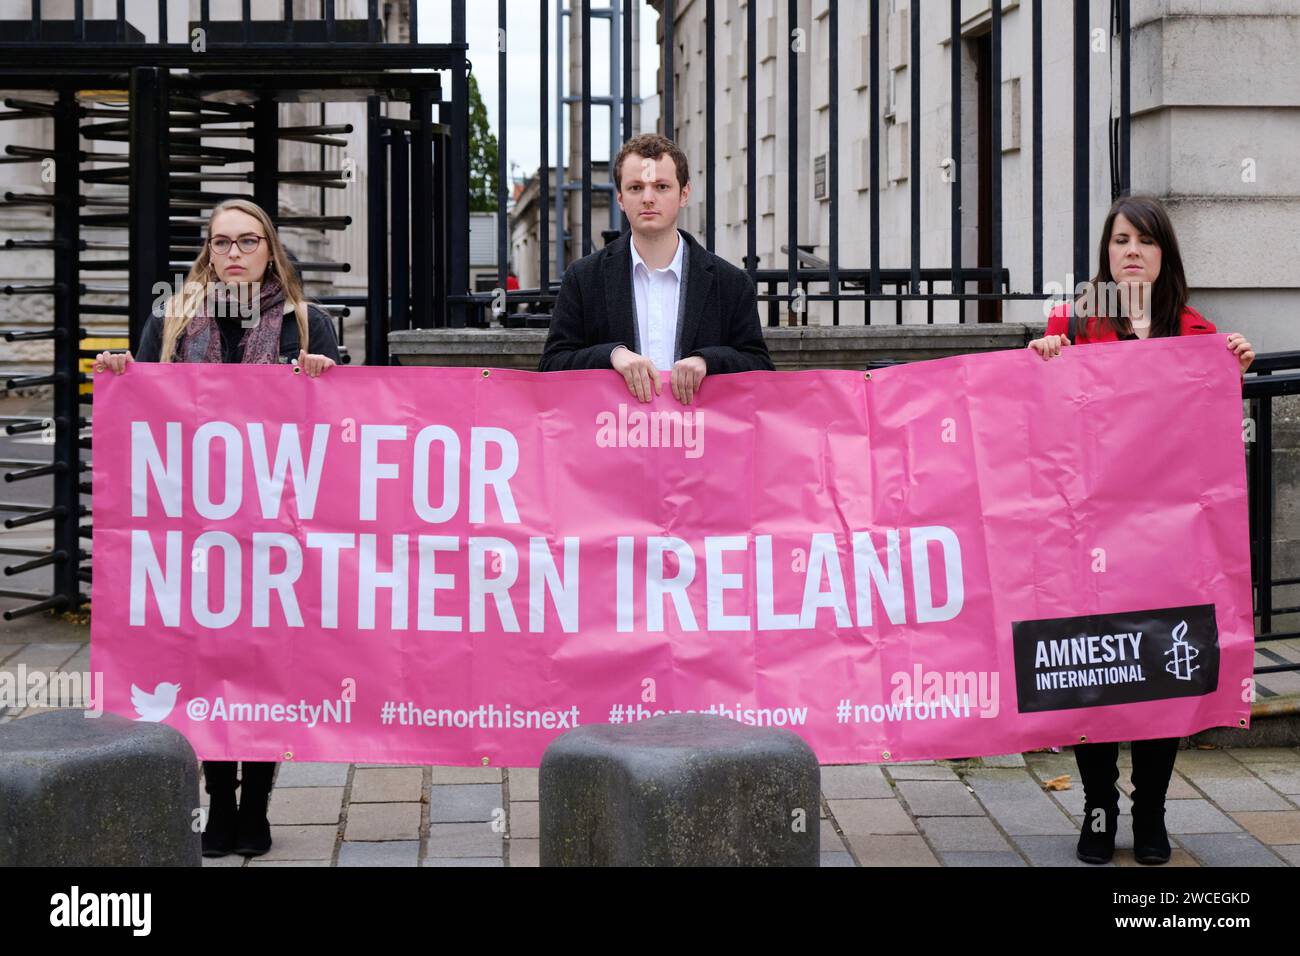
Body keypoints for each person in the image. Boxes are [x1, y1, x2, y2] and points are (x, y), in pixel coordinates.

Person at [94, 197, 340, 858]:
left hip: (273, 532)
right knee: (201, 664)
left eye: (249, 241)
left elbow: (343, 427)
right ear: (208, 252)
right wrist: (123, 374)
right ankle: (219, 801)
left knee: (263, 667)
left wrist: (324, 380)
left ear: (270, 250)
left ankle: (255, 805)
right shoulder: (171, 319)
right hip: (194, 528)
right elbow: (147, 396)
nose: (235, 253)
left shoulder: (307, 324)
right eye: (223, 242)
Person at [1028, 195, 1254, 865]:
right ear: (1105, 252)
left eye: (1145, 241)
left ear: (1164, 256)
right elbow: (1040, 420)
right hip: (1089, 534)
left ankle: (1150, 809)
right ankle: (1099, 806)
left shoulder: (1196, 333)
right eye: (1120, 239)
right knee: (1095, 667)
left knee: (1161, 671)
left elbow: (1208, 440)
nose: (1131, 250)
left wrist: (1230, 365)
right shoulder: (1072, 325)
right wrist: (1043, 357)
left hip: (1165, 542)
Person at [538, 132, 774, 402]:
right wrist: (611, 355)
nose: (648, 198)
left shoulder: (731, 283)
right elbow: (551, 366)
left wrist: (709, 362)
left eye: (661, 186)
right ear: (620, 198)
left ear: (684, 193)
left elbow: (761, 369)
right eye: (636, 187)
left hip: (702, 440)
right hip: (610, 437)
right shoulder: (583, 278)